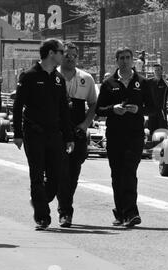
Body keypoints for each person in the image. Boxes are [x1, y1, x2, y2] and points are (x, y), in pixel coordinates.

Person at [12, 39, 74, 230]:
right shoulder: (29, 76)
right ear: (50, 53)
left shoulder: (58, 79)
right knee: (37, 175)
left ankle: (40, 200)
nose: (64, 55)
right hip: (34, 133)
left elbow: (64, 110)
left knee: (56, 176)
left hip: (54, 134)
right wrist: (18, 133)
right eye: (61, 51)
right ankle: (42, 217)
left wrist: (69, 136)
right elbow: (17, 106)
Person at [96, 48, 155, 228]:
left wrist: (139, 110)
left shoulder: (143, 82)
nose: (125, 61)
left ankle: (131, 212)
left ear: (133, 61)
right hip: (114, 135)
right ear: (116, 61)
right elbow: (99, 110)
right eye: (121, 58)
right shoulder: (108, 83)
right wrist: (113, 109)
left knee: (129, 171)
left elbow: (153, 108)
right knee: (117, 174)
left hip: (135, 135)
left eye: (128, 58)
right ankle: (120, 212)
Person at [56, 42, 98, 228]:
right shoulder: (51, 75)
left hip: (77, 131)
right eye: (66, 54)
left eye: (74, 55)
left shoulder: (86, 78)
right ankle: (64, 212)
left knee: (72, 173)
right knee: (58, 172)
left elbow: (94, 104)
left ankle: (65, 208)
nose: (70, 58)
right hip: (56, 131)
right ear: (59, 55)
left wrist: (85, 124)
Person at [148, 64, 168, 135]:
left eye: (158, 70)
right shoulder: (150, 82)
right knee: (152, 132)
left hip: (161, 110)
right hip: (152, 110)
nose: (157, 72)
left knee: (162, 131)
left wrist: (164, 80)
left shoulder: (165, 82)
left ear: (162, 71)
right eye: (155, 70)